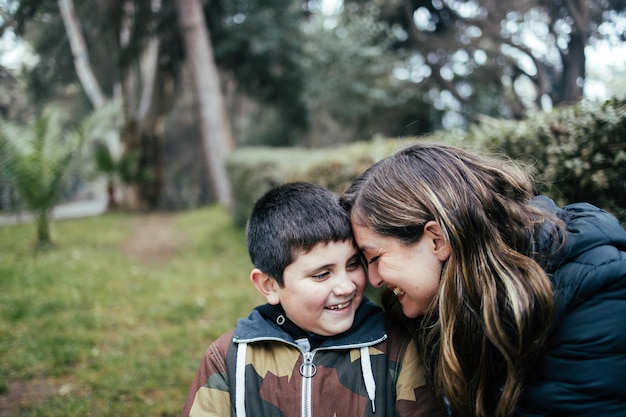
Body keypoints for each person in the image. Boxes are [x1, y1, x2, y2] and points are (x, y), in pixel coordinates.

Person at [340, 142, 626, 417]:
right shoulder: (439, 304)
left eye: (375, 257)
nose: (373, 280)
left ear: (437, 240)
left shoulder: (594, 292)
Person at [181, 182, 443, 417]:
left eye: (353, 264)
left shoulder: (396, 347)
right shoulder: (229, 357)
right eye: (321, 275)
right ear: (269, 285)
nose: (346, 286)